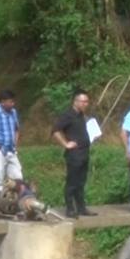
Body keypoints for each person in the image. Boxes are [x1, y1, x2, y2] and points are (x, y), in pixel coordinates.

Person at [52, 89, 95, 217]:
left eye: (87, 102)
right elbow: (55, 130)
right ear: (75, 102)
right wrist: (65, 144)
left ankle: (81, 207)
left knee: (81, 182)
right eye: (83, 102)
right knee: (72, 182)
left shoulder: (82, 116)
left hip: (84, 152)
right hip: (74, 154)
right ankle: (70, 209)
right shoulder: (68, 115)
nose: (85, 104)